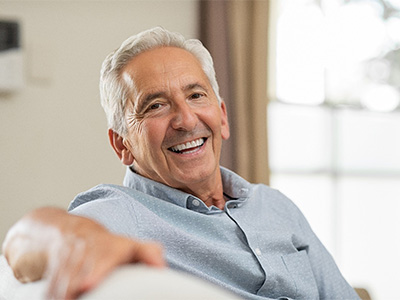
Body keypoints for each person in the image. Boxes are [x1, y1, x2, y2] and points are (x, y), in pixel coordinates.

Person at [2, 27, 360, 300]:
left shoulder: (277, 206)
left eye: (196, 95)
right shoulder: (122, 215)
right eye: (155, 105)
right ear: (122, 145)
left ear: (221, 116)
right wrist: (75, 239)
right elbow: (20, 242)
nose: (186, 120)